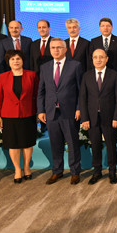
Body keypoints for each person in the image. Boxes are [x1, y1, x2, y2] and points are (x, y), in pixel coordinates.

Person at [38, 39, 83, 184]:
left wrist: (79, 108)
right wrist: (41, 110)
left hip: (69, 111)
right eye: (53, 47)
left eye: (59, 47)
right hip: (51, 112)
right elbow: (41, 91)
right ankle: (57, 171)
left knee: (72, 143)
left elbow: (81, 90)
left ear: (65, 49)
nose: (56, 50)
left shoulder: (75, 65)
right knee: (55, 143)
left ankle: (75, 172)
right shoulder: (45, 67)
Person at [79, 48, 117, 185]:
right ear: (92, 59)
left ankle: (112, 171)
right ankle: (97, 171)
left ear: (106, 59)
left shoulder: (115, 75)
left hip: (110, 118)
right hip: (92, 118)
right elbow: (82, 98)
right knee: (95, 145)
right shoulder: (86, 76)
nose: (98, 60)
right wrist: (84, 118)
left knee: (111, 145)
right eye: (95, 57)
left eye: (101, 57)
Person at [0, 50, 38, 183]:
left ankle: (27, 167)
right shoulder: (3, 77)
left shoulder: (32, 75)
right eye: (12, 59)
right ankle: (17, 169)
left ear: (23, 61)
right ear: (8, 62)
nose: (15, 61)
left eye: (18, 58)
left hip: (28, 114)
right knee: (13, 144)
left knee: (27, 143)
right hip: (9, 115)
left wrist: (38, 112)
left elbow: (37, 95)